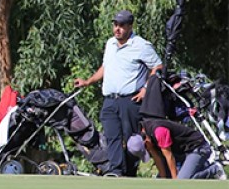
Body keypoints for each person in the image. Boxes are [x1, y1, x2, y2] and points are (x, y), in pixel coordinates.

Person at [74, 10, 163, 176]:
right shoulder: (110, 44)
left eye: (122, 25)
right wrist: (88, 81)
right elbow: (105, 68)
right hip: (110, 100)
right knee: (111, 137)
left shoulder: (141, 45)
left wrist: (145, 89)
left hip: (130, 100)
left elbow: (157, 67)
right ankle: (116, 172)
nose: (118, 29)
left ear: (130, 26)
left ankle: (129, 172)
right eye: (115, 25)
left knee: (131, 141)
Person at [128, 119, 226, 180]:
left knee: (183, 180)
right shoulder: (144, 134)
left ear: (146, 142)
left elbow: (169, 157)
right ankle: (201, 165)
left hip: (198, 147)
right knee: (162, 179)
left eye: (146, 150)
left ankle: (214, 169)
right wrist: (163, 179)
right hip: (182, 153)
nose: (148, 152)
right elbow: (157, 157)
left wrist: (176, 182)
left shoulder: (159, 131)